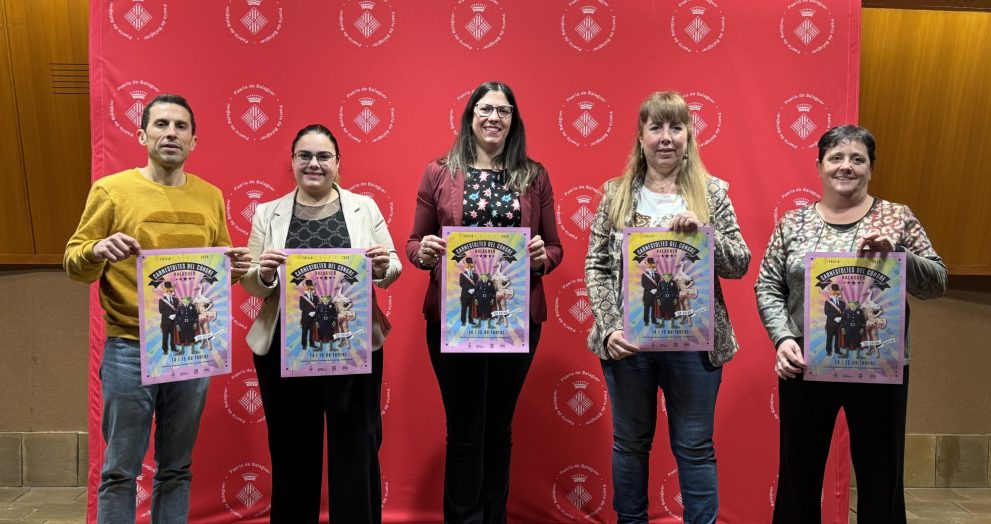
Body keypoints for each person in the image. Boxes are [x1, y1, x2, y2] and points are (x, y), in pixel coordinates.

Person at [63, 93, 252, 523]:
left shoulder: (210, 196)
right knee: (119, 471)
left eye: (180, 126)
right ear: (142, 135)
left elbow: (216, 274)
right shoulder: (112, 191)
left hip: (192, 350)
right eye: (161, 124)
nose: (171, 133)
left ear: (193, 141)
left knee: (177, 468)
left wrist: (235, 269)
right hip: (129, 347)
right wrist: (96, 249)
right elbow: (74, 264)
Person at [755, 124, 947, 523]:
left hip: (880, 364)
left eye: (857, 159)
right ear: (819, 166)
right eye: (836, 157)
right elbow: (768, 284)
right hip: (806, 362)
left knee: (881, 477)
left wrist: (900, 256)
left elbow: (937, 283)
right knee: (798, 475)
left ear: (871, 168)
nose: (846, 166)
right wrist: (783, 338)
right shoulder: (793, 223)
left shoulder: (897, 217)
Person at [584, 91, 750, 524]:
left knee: (695, 446)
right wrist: (609, 326)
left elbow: (739, 263)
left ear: (688, 136)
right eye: (655, 127)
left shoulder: (713, 193)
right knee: (630, 444)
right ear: (640, 137)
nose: (666, 137)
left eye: (676, 127)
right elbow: (596, 265)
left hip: (694, 346)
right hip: (629, 345)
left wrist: (705, 234)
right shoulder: (616, 194)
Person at [407, 80, 563, 523]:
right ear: (470, 116)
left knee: (498, 428)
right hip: (454, 319)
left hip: (515, 318)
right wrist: (424, 252)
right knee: (464, 431)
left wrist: (542, 258)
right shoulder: (438, 172)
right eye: (485, 109)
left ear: (514, 120)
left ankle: (493, 517)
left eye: (504, 110)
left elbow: (554, 247)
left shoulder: (534, 175)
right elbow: (414, 242)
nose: (494, 117)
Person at [241, 123, 401, 523]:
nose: (314, 163)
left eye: (323, 156)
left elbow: (393, 265)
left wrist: (382, 266)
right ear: (293, 161)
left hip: (352, 343)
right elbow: (251, 284)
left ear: (337, 162)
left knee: (356, 448)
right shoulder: (268, 212)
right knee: (292, 450)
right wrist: (263, 272)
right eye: (305, 156)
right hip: (285, 347)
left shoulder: (364, 207)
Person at [192, 280, 216, 352]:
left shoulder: (203, 297)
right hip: (199, 315)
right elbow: (193, 305)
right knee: (201, 329)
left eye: (199, 286)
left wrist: (206, 309)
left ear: (201, 287)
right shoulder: (196, 298)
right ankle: (204, 342)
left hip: (204, 314)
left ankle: (209, 344)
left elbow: (211, 303)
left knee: (206, 328)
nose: (198, 287)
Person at [824, 283, 846, 356]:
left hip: (839, 324)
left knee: (838, 338)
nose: (835, 294)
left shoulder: (842, 303)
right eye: (834, 292)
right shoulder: (827, 302)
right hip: (830, 323)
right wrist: (835, 318)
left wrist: (841, 318)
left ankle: (837, 350)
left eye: (837, 292)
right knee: (829, 338)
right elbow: (826, 312)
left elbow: (844, 312)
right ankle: (828, 351)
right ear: (831, 292)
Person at [158, 281, 178, 354]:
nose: (169, 291)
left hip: (174, 321)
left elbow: (178, 309)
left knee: (173, 336)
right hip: (166, 321)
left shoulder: (176, 300)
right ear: (165, 290)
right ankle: (165, 350)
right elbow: (161, 310)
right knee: (165, 336)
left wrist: (175, 315)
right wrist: (169, 316)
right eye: (167, 290)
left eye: (170, 290)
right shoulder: (161, 300)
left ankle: (173, 348)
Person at [459, 257, 479, 326]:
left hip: (473, 295)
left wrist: (474, 289)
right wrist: (468, 290)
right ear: (466, 265)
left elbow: (477, 284)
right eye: (468, 264)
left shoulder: (475, 275)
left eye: (471, 264)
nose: (469, 266)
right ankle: (463, 321)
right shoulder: (462, 274)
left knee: (471, 309)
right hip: (465, 295)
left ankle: (471, 320)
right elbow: (461, 284)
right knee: (464, 309)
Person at [299, 279, 318, 350]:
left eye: (310, 287)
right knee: (304, 332)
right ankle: (304, 345)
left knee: (312, 332)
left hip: (313, 317)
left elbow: (317, 307)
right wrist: (309, 312)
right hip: (305, 317)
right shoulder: (302, 297)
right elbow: (301, 307)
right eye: (308, 287)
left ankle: (312, 344)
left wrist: (315, 312)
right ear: (306, 288)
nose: (309, 289)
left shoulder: (316, 298)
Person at [641, 258, 660, 326]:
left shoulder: (657, 275)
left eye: (652, 265)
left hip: (655, 295)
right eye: (650, 265)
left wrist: (656, 290)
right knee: (646, 309)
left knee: (654, 309)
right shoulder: (644, 275)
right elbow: (643, 284)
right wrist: (651, 290)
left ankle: (654, 321)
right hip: (647, 295)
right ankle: (646, 321)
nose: (651, 267)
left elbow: (659, 284)